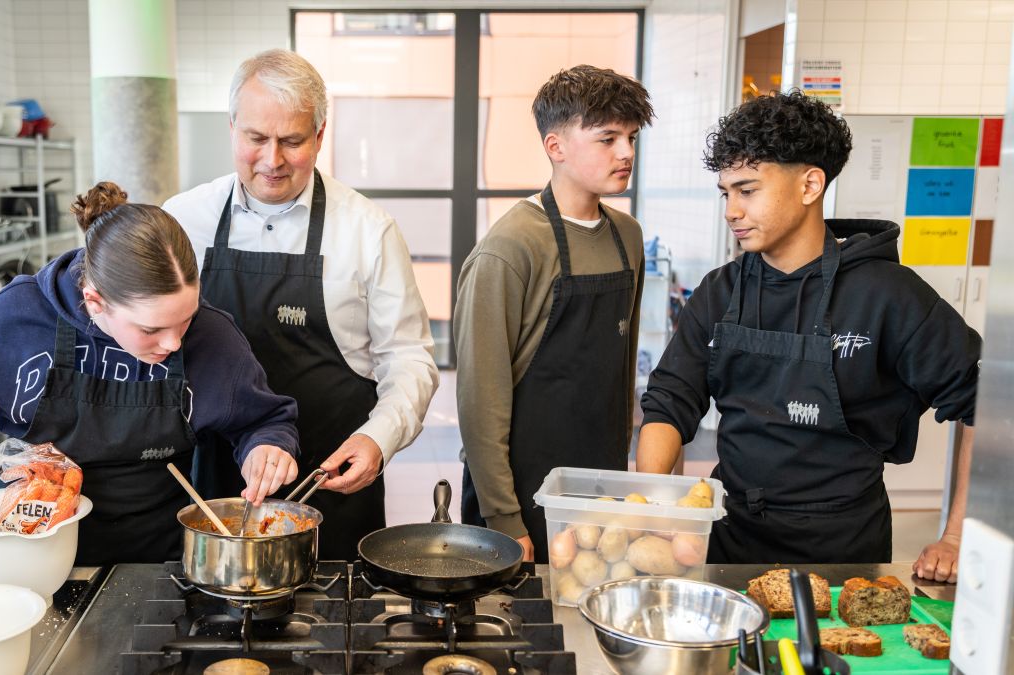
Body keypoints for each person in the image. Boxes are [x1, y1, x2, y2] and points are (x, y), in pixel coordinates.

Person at [637, 90, 978, 577]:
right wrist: (652, 507)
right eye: (726, 193)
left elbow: (984, 403)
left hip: (843, 552)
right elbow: (670, 402)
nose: (731, 210)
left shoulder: (887, 295)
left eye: (748, 190)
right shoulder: (721, 291)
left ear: (810, 185)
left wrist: (957, 536)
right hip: (730, 542)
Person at [0, 182, 301, 566]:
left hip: (148, 552)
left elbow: (263, 419)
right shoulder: (16, 314)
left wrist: (266, 446)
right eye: (151, 330)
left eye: (185, 320)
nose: (174, 343)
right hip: (25, 539)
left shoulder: (213, 336)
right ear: (95, 301)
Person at [163, 49, 439, 561]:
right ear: (231, 128)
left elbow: (409, 358)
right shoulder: (181, 221)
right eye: (256, 139)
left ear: (320, 135)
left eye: (291, 141)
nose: (272, 160)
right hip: (213, 485)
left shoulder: (367, 230)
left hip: (330, 479)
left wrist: (379, 440)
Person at [455, 65, 653, 564]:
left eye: (631, 137)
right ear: (555, 146)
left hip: (599, 486)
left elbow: (621, 368)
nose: (626, 153)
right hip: (520, 495)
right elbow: (482, 399)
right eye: (607, 138)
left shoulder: (627, 236)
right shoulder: (510, 248)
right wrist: (505, 518)